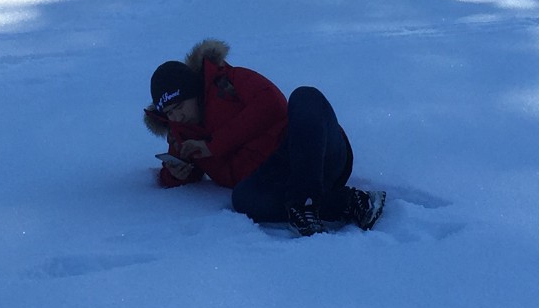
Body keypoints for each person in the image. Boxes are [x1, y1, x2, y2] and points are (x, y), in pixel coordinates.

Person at [144, 40, 384, 234]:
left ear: (194, 93)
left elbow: (272, 106)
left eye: (180, 106)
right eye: (169, 113)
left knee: (305, 96)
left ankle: (306, 201)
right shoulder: (181, 134)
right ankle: (348, 203)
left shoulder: (230, 82)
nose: (177, 117)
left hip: (314, 152)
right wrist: (176, 174)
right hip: (275, 181)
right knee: (243, 200)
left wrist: (214, 146)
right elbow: (177, 171)